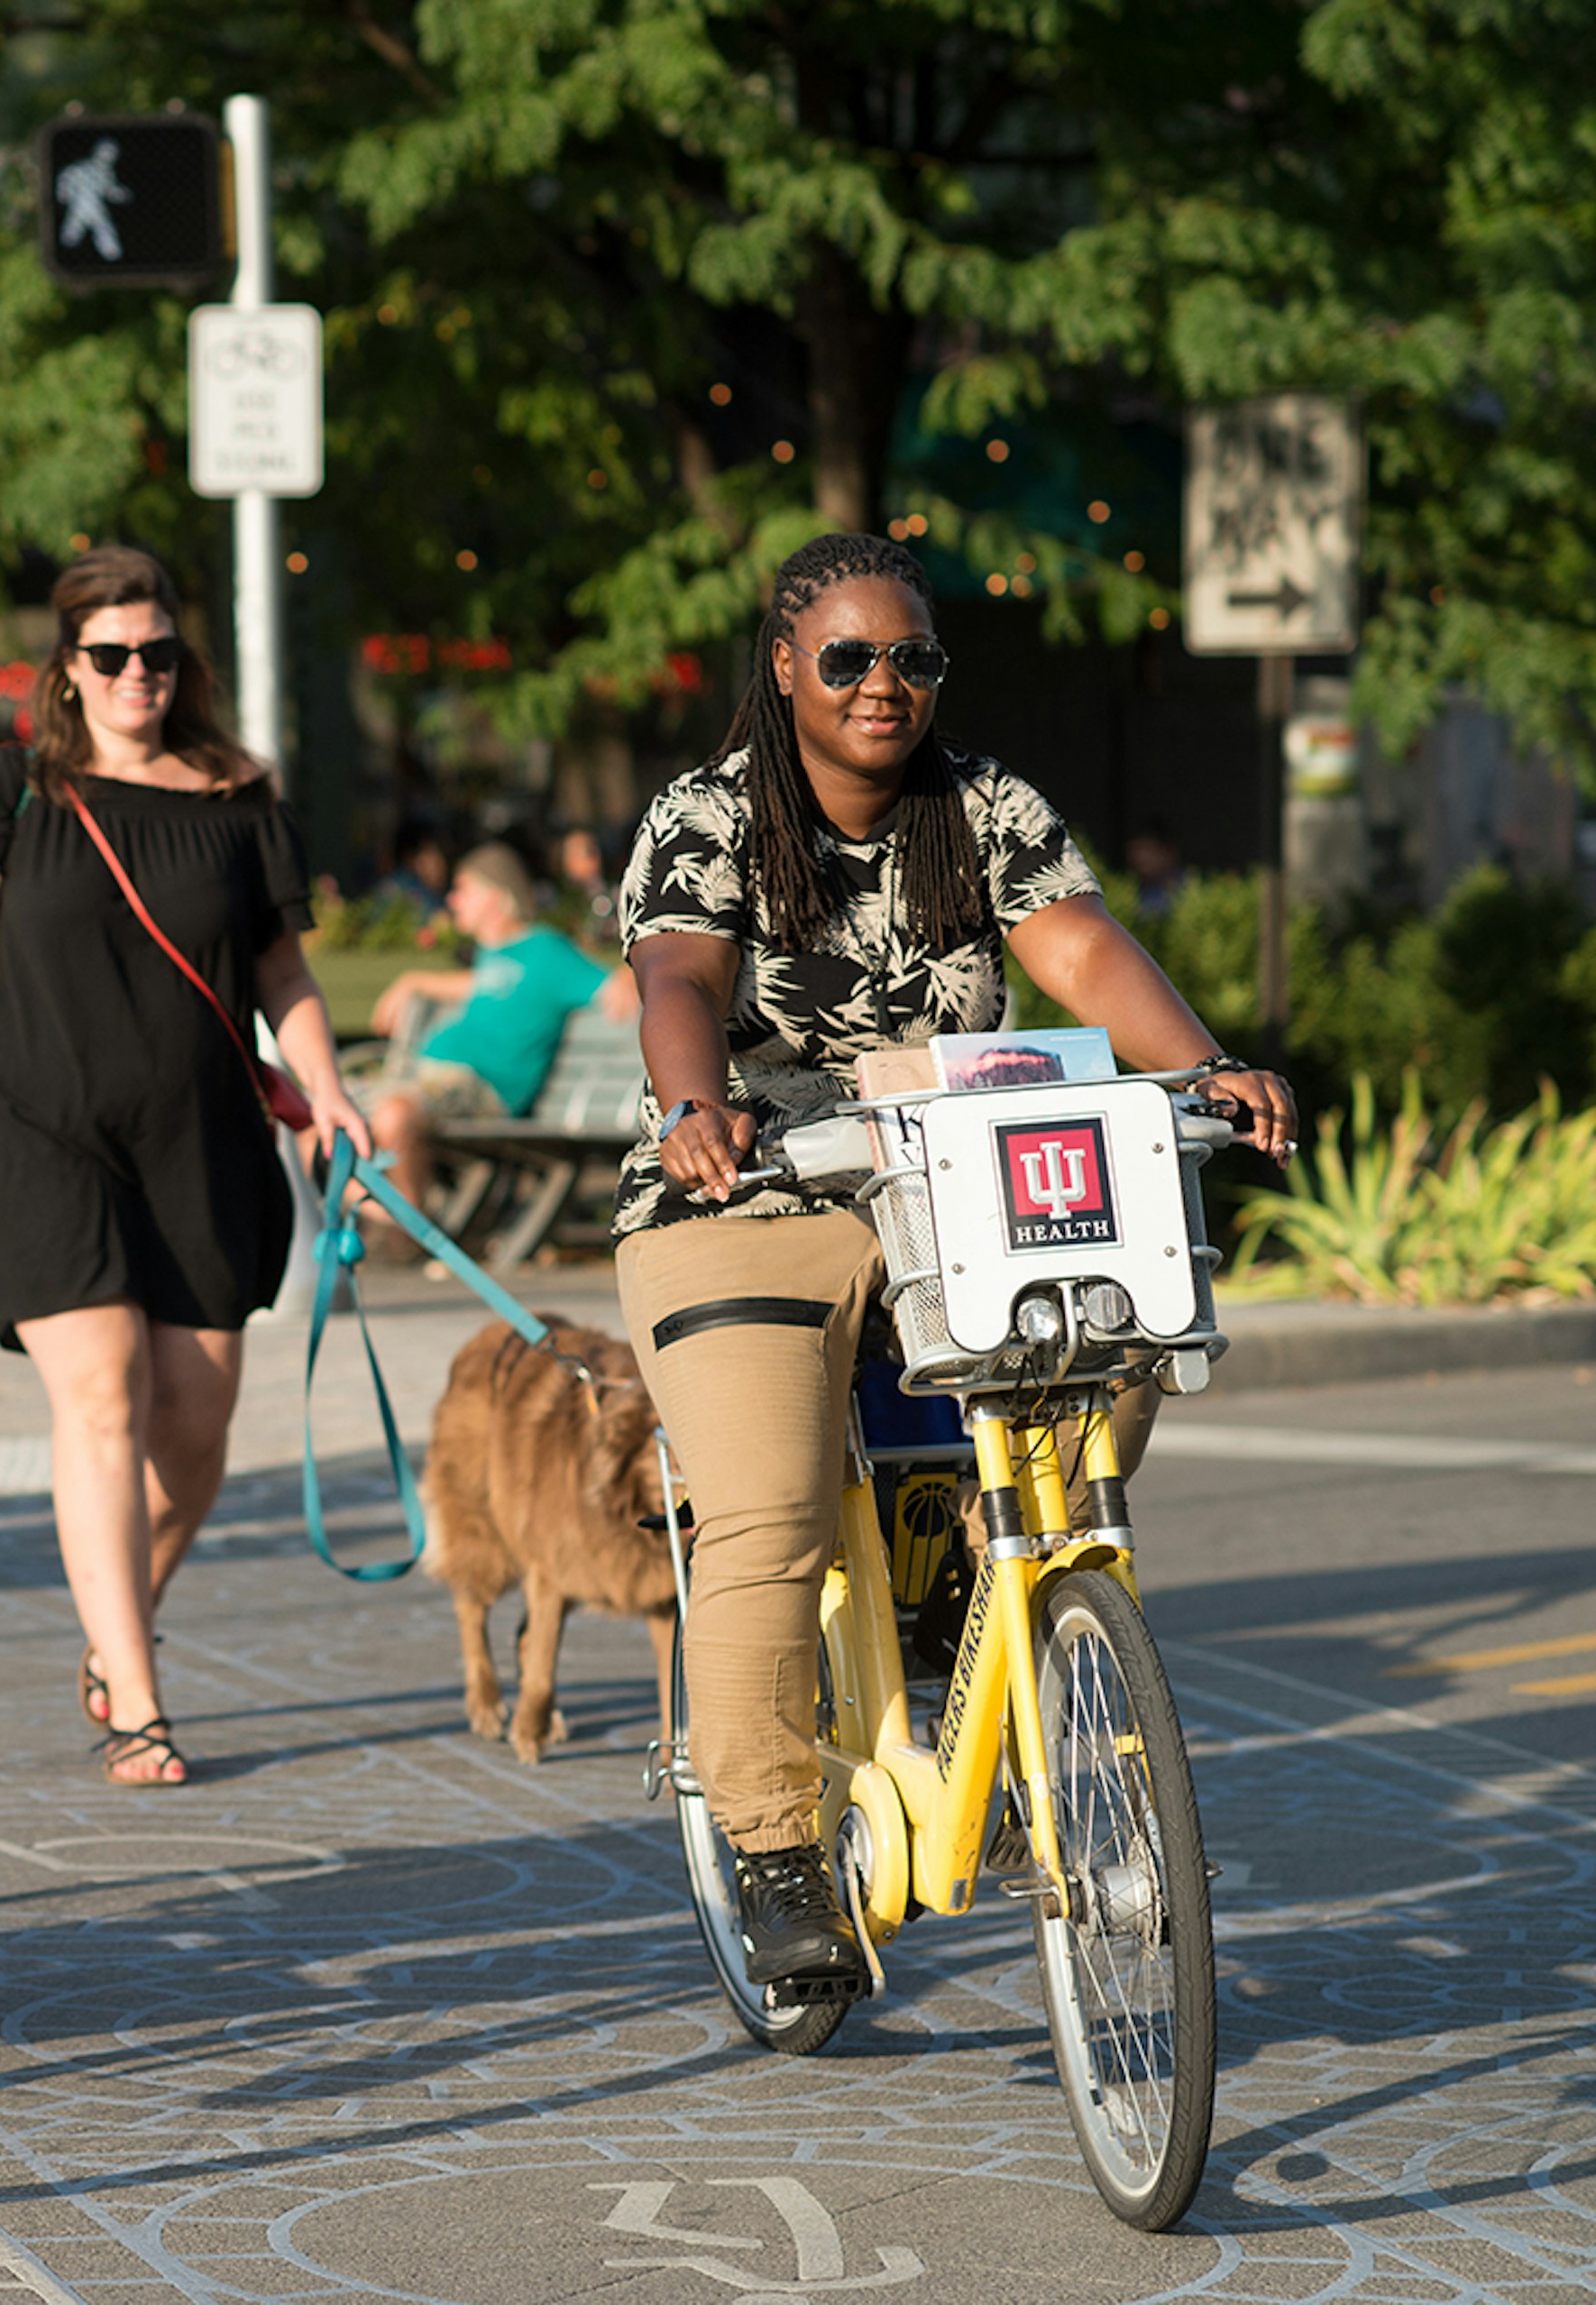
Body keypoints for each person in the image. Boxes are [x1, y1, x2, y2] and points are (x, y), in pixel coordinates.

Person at [614, 532, 1294, 1994]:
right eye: (848, 658)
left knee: (1126, 1333)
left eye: (912, 658)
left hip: (963, 1173)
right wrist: (692, 1101)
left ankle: (1001, 1602)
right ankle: (776, 1844)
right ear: (787, 665)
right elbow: (678, 971)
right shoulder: (711, 807)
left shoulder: (985, 805)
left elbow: (1085, 950)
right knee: (768, 1513)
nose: (883, 685)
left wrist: (1206, 1064)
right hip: (751, 1181)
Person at [0, 546, 370, 1788]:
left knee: (196, 1423)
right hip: (32, 1131)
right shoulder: (13, 788)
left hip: (201, 1139)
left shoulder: (236, 794)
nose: (136, 675)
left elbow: (283, 975)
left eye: (157, 653)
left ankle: (116, 1618)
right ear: (69, 667)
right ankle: (139, 1699)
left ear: (184, 662)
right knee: (102, 1392)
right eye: (110, 655)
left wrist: (326, 1089)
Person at [358, 843, 629, 1209]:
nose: (452, 901)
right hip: (428, 1079)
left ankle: (401, 1221)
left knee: (394, 1115)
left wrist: (634, 976)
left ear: (498, 897)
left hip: (476, 1088)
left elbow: (613, 983)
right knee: (313, 1124)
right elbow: (478, 986)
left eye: (464, 890)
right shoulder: (495, 955)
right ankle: (375, 1211)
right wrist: (412, 980)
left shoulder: (546, 950)